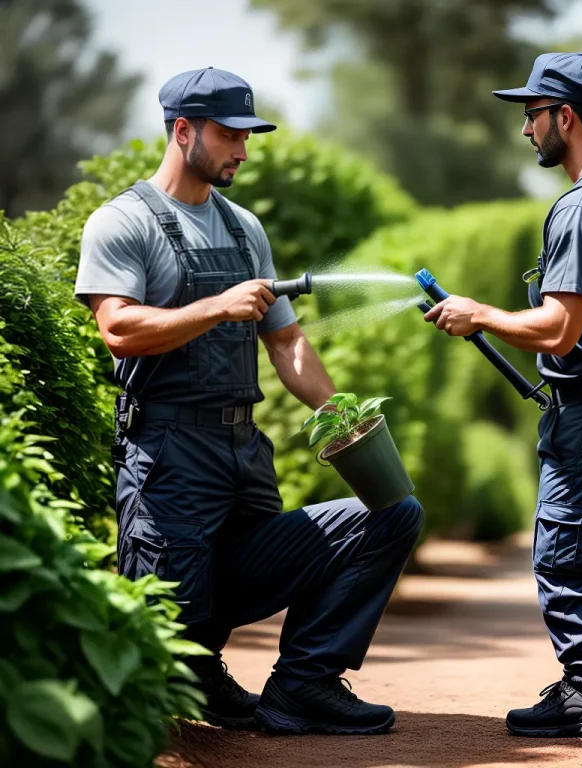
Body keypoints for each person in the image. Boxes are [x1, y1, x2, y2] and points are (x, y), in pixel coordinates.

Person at [75, 66, 423, 735]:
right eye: (230, 134)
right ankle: (192, 675)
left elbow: (287, 342)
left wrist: (341, 412)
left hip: (242, 456)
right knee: (169, 620)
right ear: (182, 130)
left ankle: (305, 683)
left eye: (249, 134)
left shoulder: (245, 230)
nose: (243, 148)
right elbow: (118, 329)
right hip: (168, 460)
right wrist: (216, 307)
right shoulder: (122, 223)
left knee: (391, 514)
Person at [424, 52, 582, 738]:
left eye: (532, 116)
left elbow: (561, 329)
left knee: (564, 558)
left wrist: (482, 315)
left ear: (565, 116)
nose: (526, 131)